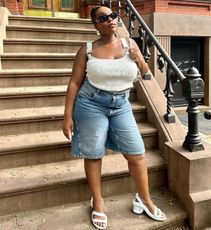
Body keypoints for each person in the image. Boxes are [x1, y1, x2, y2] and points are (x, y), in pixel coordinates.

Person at [62, 4, 166, 229]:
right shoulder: (87, 49)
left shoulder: (130, 44)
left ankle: (144, 199)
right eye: (103, 17)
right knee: (93, 153)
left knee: (137, 154)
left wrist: (138, 57)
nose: (110, 19)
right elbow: (74, 83)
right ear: (96, 25)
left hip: (121, 105)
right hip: (90, 104)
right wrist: (67, 115)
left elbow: (146, 75)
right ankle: (97, 202)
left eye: (113, 15)